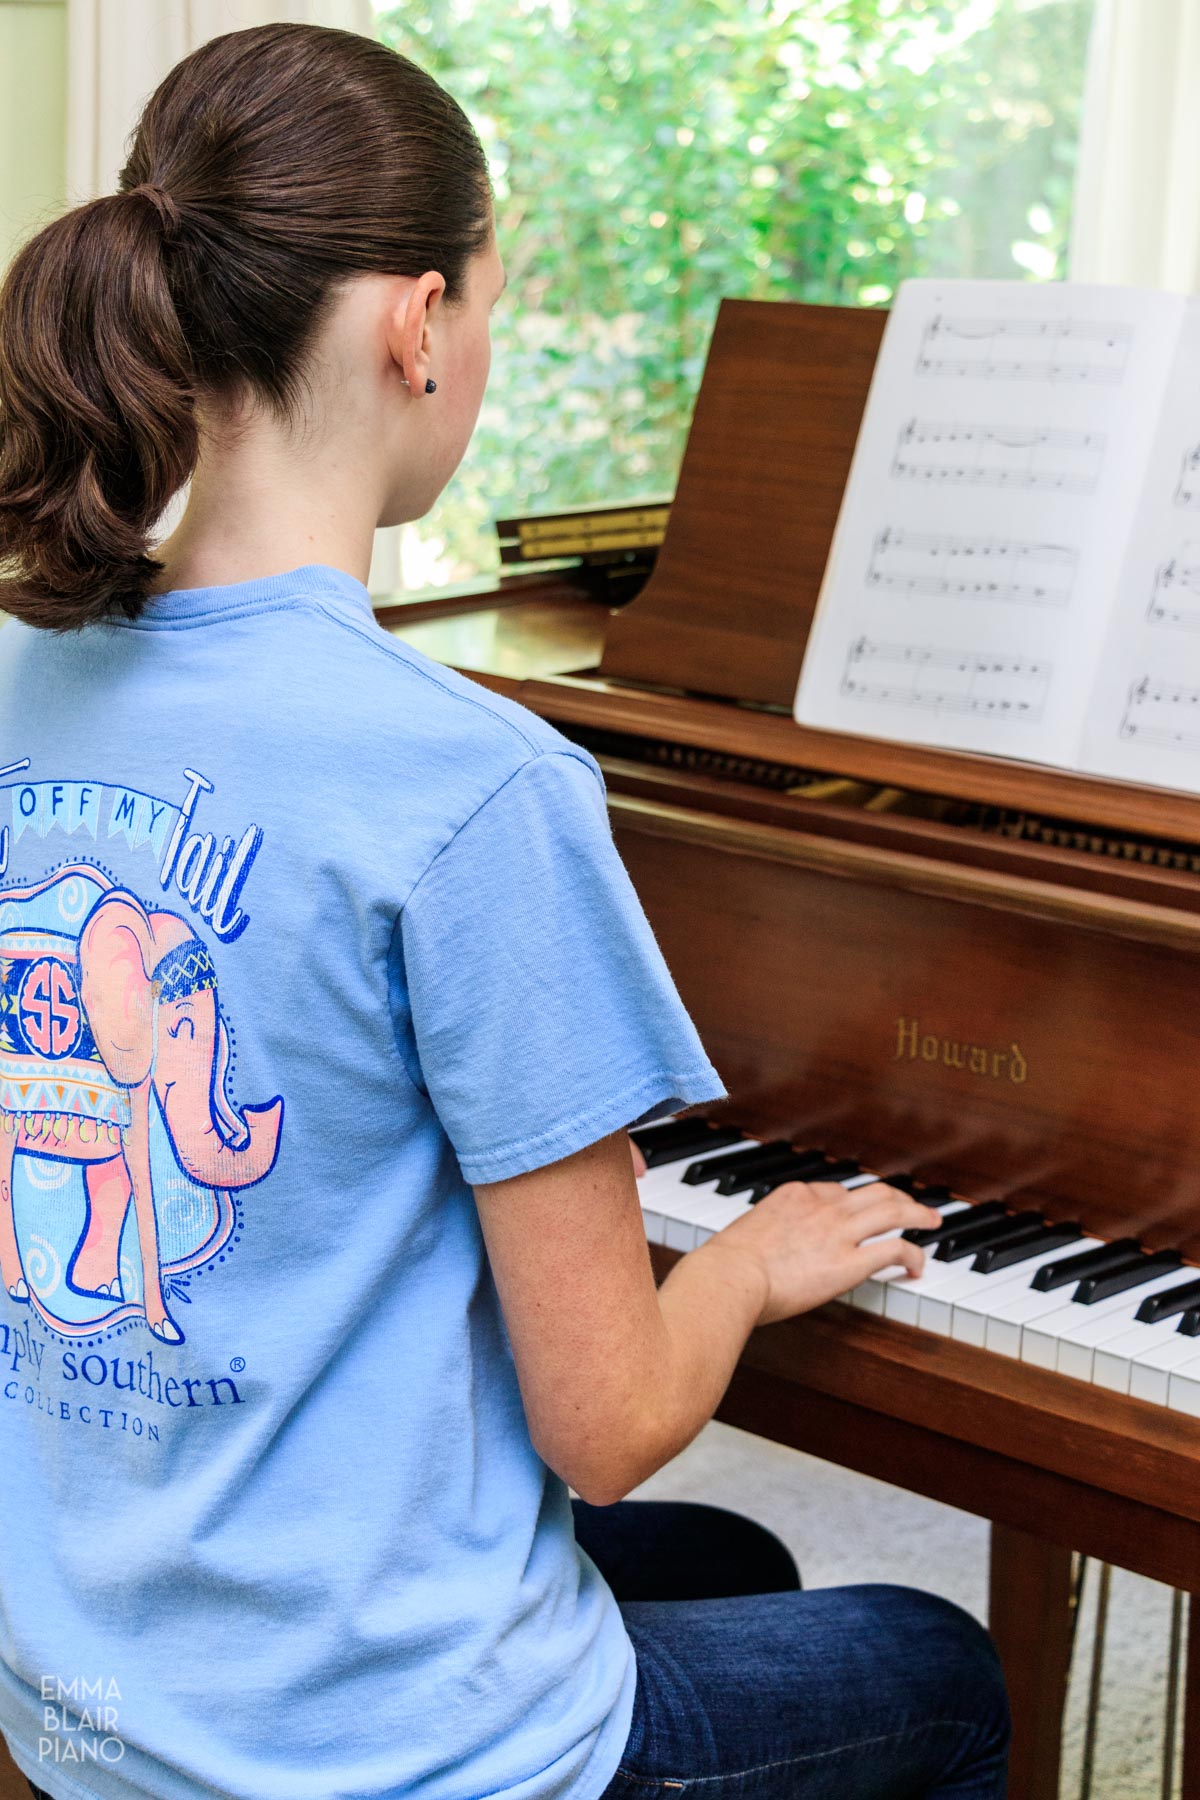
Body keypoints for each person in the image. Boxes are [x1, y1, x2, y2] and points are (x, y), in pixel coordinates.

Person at [0, 22, 1009, 1800]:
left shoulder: (20, 681)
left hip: (92, 1682)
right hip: (356, 1752)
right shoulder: (471, 783)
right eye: (487, 303)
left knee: (738, 1569)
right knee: (933, 1666)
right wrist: (751, 1263)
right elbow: (608, 1430)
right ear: (418, 323)